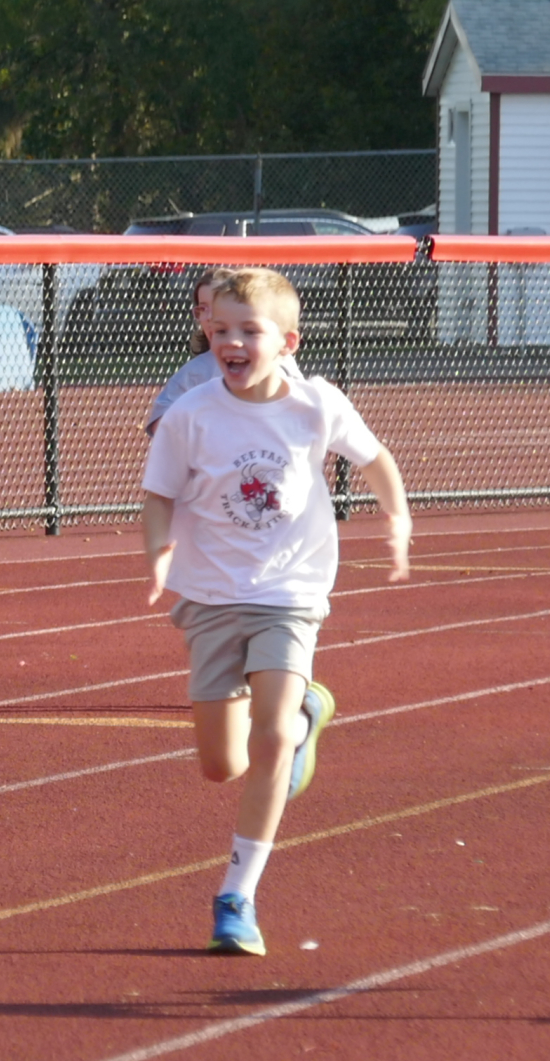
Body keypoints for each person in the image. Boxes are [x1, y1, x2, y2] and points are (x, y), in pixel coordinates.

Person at [141, 268, 410, 955]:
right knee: (219, 764)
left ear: (286, 341)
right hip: (209, 598)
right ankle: (306, 714)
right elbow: (159, 494)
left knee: (267, 745)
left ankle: (238, 897)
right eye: (220, 329)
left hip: (290, 595)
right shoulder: (190, 414)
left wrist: (397, 516)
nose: (231, 341)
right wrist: (159, 553)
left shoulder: (316, 405)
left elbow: (375, 459)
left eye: (248, 331)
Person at [145, 266, 302, 437]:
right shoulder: (195, 373)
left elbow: (304, 414)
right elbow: (162, 427)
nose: (210, 317)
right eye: (202, 309)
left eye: (217, 306)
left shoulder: (280, 361)